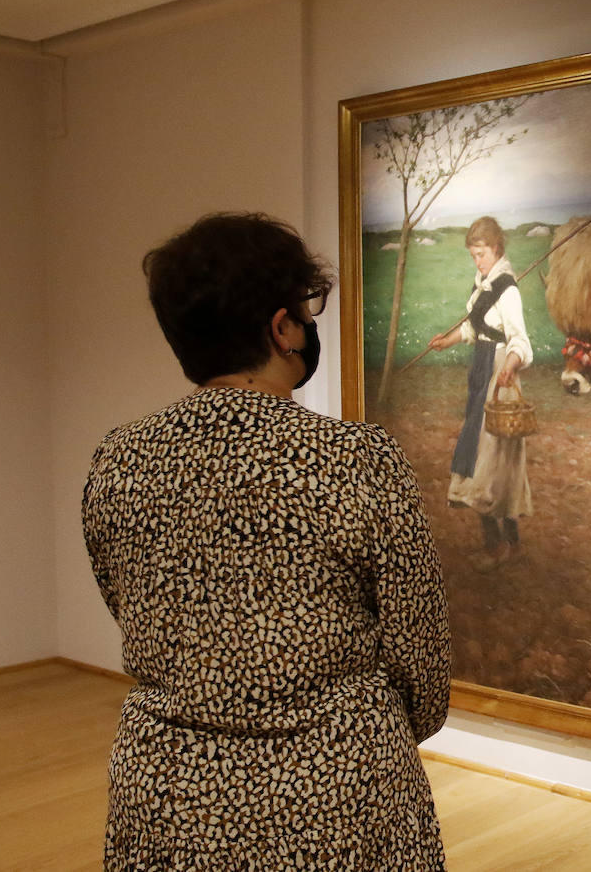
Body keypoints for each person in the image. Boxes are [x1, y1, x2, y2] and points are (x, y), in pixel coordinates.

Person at [82, 212, 450, 870]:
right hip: (339, 798)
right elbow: (419, 663)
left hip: (167, 797)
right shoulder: (358, 459)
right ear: (282, 328)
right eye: (308, 311)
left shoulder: (120, 458)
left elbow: (125, 599)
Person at [427, 216, 533, 565]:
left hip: (500, 375)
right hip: (482, 369)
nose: (478, 260)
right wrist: (448, 341)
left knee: (491, 463)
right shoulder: (484, 284)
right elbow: (476, 329)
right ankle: (507, 543)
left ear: (497, 249)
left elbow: (520, 341)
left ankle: (499, 546)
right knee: (483, 457)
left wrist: (509, 367)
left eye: (482, 253)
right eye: (473, 255)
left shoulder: (507, 288)